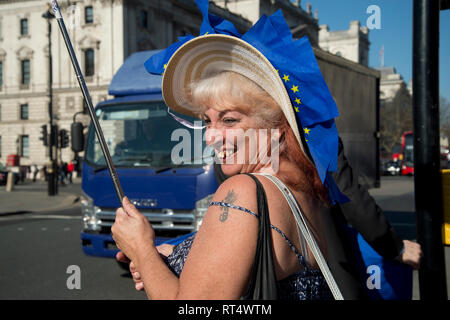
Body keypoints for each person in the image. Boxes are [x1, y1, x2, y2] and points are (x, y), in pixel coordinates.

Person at [112, 3, 346, 300]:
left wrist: (141, 250)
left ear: (275, 127)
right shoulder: (302, 193)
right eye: (207, 120)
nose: (211, 136)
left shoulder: (243, 191)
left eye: (230, 120)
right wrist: (177, 256)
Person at [214, 137, 423, 299]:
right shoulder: (308, 121)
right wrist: (394, 247)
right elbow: (346, 191)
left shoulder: (230, 136)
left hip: (258, 270)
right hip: (325, 265)